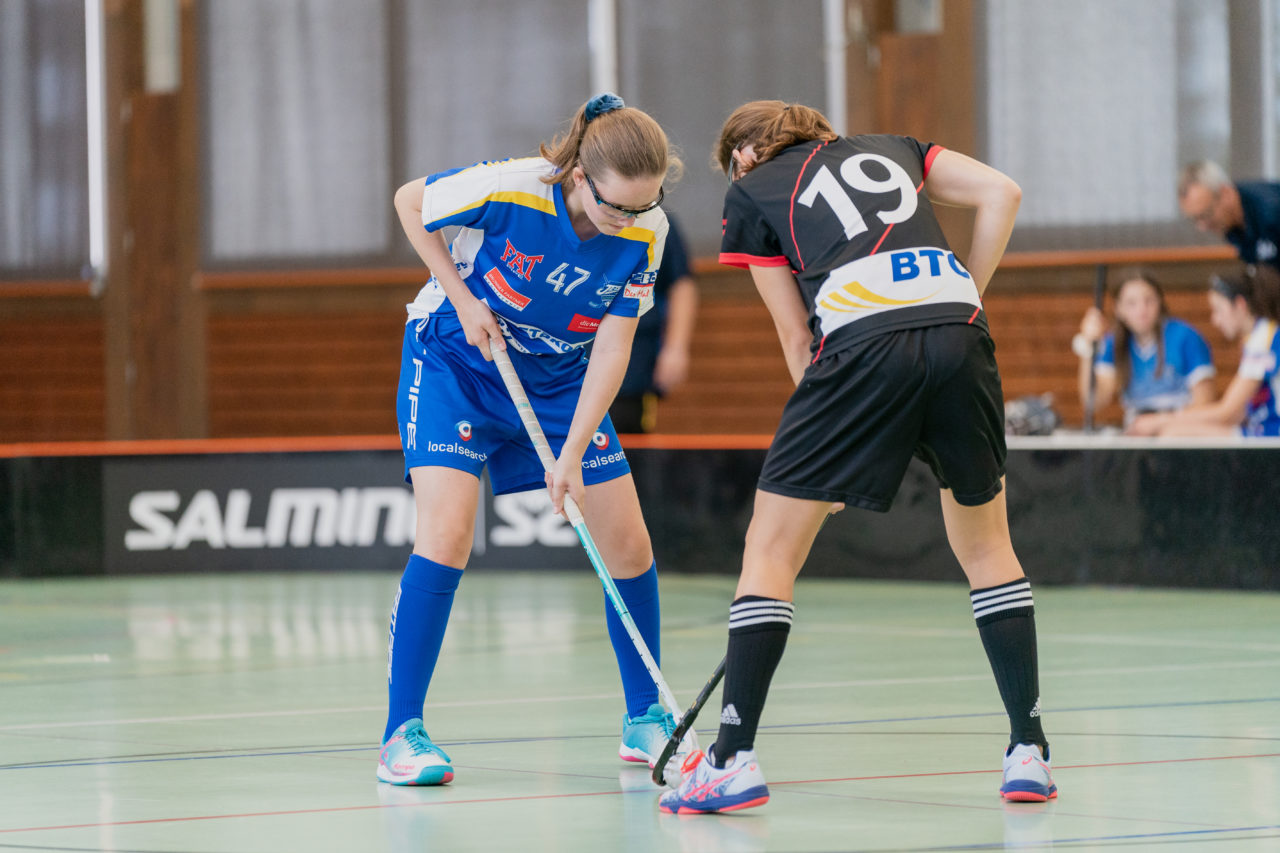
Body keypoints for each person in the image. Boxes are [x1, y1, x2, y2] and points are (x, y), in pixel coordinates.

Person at [659, 101, 1055, 814]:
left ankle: (731, 758)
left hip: (860, 343)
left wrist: (823, 459)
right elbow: (1004, 191)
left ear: (744, 156)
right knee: (988, 545)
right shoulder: (897, 146)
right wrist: (964, 289)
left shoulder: (752, 191)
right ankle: (1028, 750)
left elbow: (794, 334)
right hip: (959, 327)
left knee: (771, 549)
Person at [381, 93, 682, 786]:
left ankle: (645, 719)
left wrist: (573, 452)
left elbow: (614, 347)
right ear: (579, 176)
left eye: (645, 204)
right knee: (448, 533)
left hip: (558, 381)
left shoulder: (647, 230)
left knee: (628, 542)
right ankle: (403, 732)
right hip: (458, 360)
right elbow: (408, 200)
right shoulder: (512, 186)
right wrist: (459, 293)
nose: (630, 219)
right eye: (616, 206)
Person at [1129, 265, 1280, 437]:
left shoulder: (1264, 339)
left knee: (1175, 435)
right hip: (1262, 430)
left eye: (1218, 310)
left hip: (1271, 435)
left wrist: (1159, 420)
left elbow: (1227, 412)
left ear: (1239, 304)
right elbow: (1238, 413)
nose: (1215, 320)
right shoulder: (1258, 337)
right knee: (1175, 432)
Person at [1073, 268, 1216, 427]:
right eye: (1131, 303)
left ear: (1160, 302)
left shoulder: (1186, 337)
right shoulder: (1113, 343)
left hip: (1181, 430)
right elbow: (1094, 401)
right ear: (1119, 309)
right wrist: (1087, 348)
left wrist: (1159, 423)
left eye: (1149, 300)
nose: (1142, 310)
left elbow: (1205, 402)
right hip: (1137, 432)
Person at [608, 214, 699, 433]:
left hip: (634, 364)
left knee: (626, 445)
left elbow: (681, 285)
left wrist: (675, 348)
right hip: (570, 365)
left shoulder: (657, 222)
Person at [1178, 160, 1280, 271]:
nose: (1202, 227)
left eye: (1206, 214)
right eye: (1194, 219)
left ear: (1226, 193)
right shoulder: (1231, 223)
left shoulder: (1272, 211)